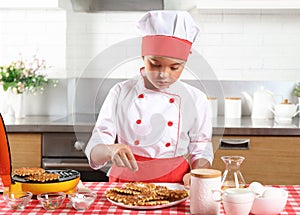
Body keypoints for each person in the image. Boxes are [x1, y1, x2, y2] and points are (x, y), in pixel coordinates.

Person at [85, 10, 214, 186]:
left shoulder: (196, 99)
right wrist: (110, 150)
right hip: (125, 182)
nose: (163, 74)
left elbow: (201, 147)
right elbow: (96, 147)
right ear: (143, 56)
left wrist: (198, 174)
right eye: (155, 64)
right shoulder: (120, 92)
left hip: (175, 183)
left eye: (175, 67)